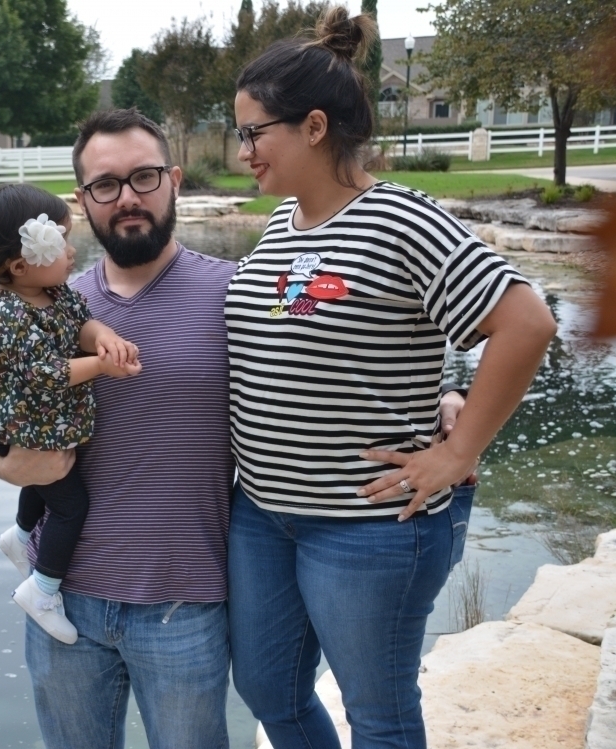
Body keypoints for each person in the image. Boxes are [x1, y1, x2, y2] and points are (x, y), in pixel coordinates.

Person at [0, 108, 473, 748]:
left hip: (184, 608)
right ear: (81, 201)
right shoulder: (50, 309)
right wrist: (2, 460)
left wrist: (446, 395)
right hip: (60, 599)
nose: (127, 197)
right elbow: (4, 412)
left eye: (144, 176)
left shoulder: (239, 293)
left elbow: (333, 351)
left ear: (174, 180)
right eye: (105, 184)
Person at [224, 8, 557, 749]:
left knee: (378, 716)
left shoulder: (402, 218)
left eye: (253, 133)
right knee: (269, 689)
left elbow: (526, 322)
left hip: (366, 526)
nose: (242, 151)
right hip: (265, 515)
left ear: (314, 127)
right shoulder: (282, 224)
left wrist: (459, 451)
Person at [0, 183, 141, 645]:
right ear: (20, 266)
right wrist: (102, 366)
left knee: (48, 482)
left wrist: (103, 338)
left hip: (43, 427)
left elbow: (80, 324)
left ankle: (21, 535)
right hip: (20, 430)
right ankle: (42, 591)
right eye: (61, 243)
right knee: (70, 505)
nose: (72, 250)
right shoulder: (8, 314)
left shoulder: (53, 292)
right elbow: (45, 374)